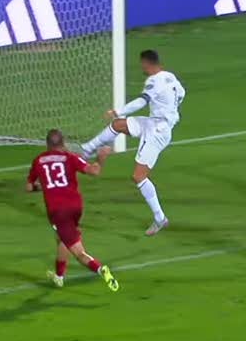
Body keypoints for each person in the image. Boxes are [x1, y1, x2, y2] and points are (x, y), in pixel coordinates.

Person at [80, 50, 185, 236]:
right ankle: (87, 149)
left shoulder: (154, 80)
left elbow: (141, 101)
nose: (141, 67)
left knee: (138, 176)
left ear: (146, 63)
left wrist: (118, 110)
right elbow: (181, 94)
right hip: (154, 123)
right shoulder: (170, 77)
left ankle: (160, 218)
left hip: (157, 131)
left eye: (142, 64)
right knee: (118, 125)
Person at [27, 129, 118, 291]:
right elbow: (94, 171)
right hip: (76, 207)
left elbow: (29, 187)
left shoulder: (38, 160)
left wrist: (43, 187)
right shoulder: (70, 157)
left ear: (47, 144)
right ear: (63, 142)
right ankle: (59, 276)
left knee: (78, 252)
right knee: (62, 238)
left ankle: (100, 269)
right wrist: (101, 158)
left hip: (58, 212)